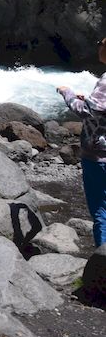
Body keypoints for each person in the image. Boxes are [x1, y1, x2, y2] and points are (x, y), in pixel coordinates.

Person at [56, 37, 106, 247]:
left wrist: (67, 93)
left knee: (101, 212)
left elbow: (87, 111)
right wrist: (87, 98)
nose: (98, 48)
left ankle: (102, 268)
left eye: (101, 44)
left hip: (99, 156)